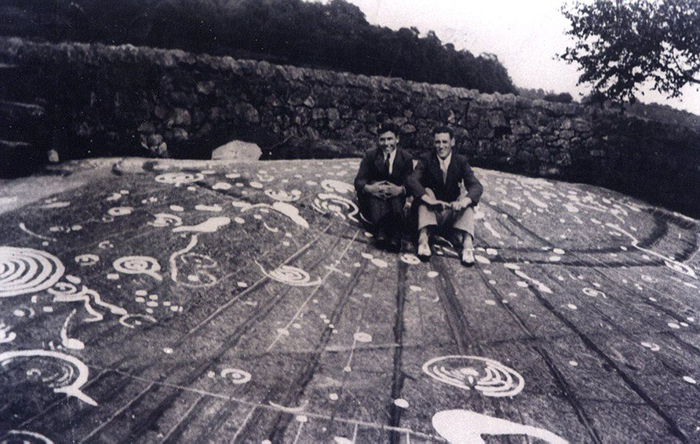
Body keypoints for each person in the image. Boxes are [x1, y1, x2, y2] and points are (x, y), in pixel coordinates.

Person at [406, 126, 483, 266]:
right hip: (431, 213)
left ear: (452, 142)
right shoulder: (426, 159)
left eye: (444, 142)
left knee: (467, 196)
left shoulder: (460, 161)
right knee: (427, 191)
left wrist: (464, 202)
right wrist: (429, 200)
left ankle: (467, 246)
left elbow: (476, 186)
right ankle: (423, 240)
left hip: (451, 214)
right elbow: (412, 180)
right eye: (437, 142)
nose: (441, 146)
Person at [354, 122, 413, 252]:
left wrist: (399, 190)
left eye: (390, 139)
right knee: (376, 192)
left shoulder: (406, 159)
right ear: (378, 140)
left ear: (397, 139)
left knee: (396, 197)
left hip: (395, 202)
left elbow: (410, 184)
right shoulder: (371, 155)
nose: (386, 143)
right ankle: (381, 230)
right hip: (375, 202)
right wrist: (371, 188)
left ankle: (395, 235)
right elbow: (358, 181)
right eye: (382, 139)